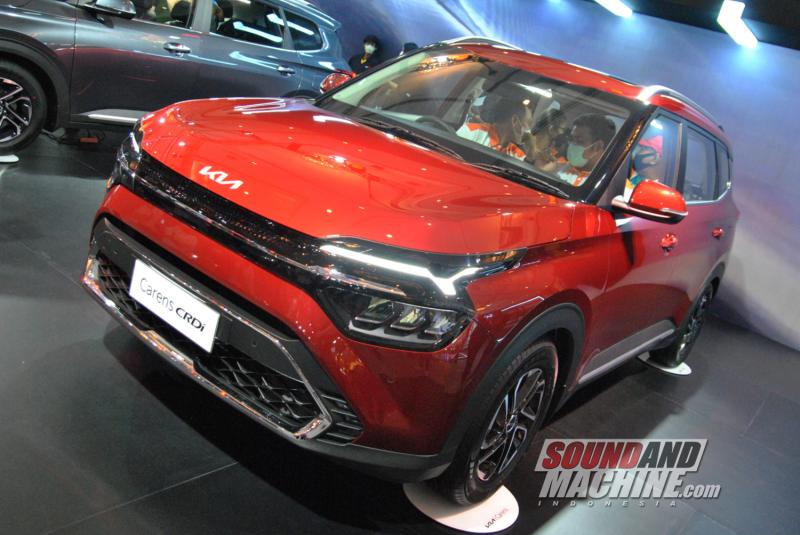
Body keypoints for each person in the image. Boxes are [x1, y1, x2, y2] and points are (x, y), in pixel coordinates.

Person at [456, 94, 533, 160]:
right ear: (514, 121)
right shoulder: (471, 132)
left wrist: (532, 151)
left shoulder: (517, 153)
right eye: (528, 123)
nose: (529, 130)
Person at [555, 113, 616, 187]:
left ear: (597, 147)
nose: (572, 145)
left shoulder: (608, 186)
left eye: (579, 141)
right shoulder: (556, 166)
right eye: (571, 139)